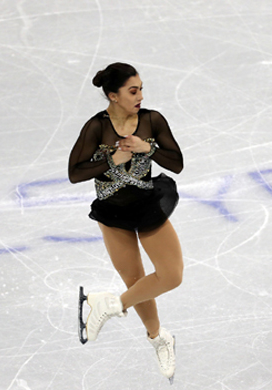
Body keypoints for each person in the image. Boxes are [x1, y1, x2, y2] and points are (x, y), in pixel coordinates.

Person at [68, 62, 184, 382]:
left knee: (171, 276)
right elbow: (74, 173)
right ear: (113, 96)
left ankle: (109, 305)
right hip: (112, 213)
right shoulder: (96, 128)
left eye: (142, 88)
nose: (140, 96)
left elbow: (177, 163)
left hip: (147, 205)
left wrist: (148, 147)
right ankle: (159, 338)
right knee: (137, 282)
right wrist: (111, 159)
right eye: (133, 91)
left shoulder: (151, 120)